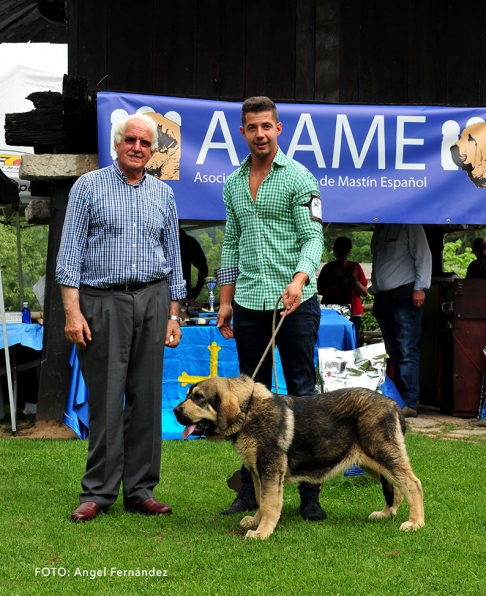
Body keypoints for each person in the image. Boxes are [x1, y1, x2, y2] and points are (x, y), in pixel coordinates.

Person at [56, 114, 186, 522]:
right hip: (103, 301)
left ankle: (142, 490)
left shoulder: (163, 194)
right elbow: (69, 255)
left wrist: (173, 313)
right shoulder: (88, 187)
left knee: (147, 397)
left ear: (153, 150)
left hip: (153, 297)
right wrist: (72, 313)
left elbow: (174, 259)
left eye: (145, 143)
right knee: (107, 399)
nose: (136, 147)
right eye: (129, 140)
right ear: (116, 144)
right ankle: (98, 492)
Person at [216, 96, 325, 521]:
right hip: (248, 302)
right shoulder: (232, 183)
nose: (260, 134)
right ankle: (251, 491)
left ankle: (309, 494)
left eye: (267, 126)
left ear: (279, 129)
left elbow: (313, 238)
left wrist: (299, 280)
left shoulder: (300, 177)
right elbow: (230, 243)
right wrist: (225, 302)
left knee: (302, 394)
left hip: (295, 303)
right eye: (252, 128)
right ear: (243, 132)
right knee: (248, 404)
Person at [369, 224, 432, 418]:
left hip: (404, 294)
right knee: (395, 351)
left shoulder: (410, 225)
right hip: (384, 297)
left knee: (406, 350)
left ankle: (409, 402)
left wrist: (420, 287)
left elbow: (423, 255)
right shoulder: (380, 229)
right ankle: (399, 400)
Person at [317, 236, 368, 341]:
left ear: (349, 252)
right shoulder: (328, 268)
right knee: (330, 340)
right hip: (330, 311)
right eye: (340, 252)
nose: (343, 255)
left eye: (345, 252)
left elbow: (365, 293)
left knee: (352, 341)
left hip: (354, 311)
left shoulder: (356, 267)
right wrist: (336, 283)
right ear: (335, 252)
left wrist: (356, 282)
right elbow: (320, 290)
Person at [179, 226, 209, 300]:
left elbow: (203, 267)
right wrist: (197, 289)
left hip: (183, 294)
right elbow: (203, 267)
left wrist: (197, 289)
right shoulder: (188, 240)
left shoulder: (187, 241)